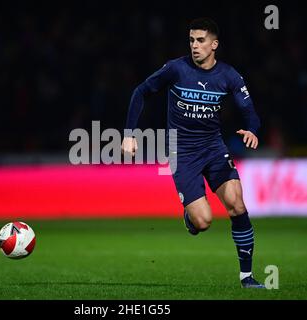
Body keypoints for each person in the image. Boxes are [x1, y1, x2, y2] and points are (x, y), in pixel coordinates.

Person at [122, 17, 265, 288]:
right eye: (191, 40)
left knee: (237, 204)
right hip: (182, 152)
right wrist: (129, 134)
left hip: (213, 147)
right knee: (204, 221)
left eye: (200, 40)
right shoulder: (176, 69)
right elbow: (141, 92)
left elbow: (250, 112)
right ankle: (191, 218)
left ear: (214, 44)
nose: (194, 46)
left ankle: (247, 277)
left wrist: (252, 130)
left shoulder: (229, 76)